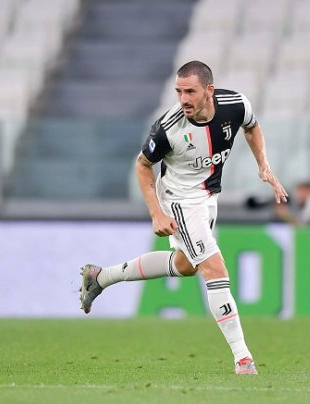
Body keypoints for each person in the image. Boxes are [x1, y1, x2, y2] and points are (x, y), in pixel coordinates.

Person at [78, 60, 288, 375]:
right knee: (214, 268)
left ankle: (102, 277)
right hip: (178, 200)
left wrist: (264, 165)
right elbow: (142, 165)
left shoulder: (235, 105)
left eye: (190, 91)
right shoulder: (168, 128)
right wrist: (156, 212)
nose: (183, 99)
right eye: (179, 91)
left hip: (207, 198)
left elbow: (252, 126)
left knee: (185, 265)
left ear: (209, 91)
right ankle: (243, 358)